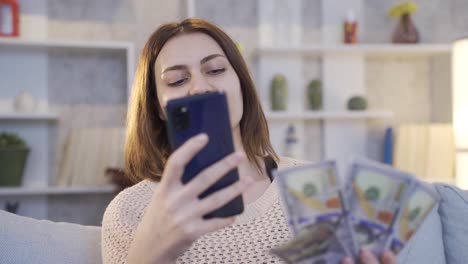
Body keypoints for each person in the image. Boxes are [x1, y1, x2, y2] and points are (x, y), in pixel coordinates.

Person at [101, 18, 396, 264]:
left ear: (241, 84)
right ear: (158, 108)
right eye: (177, 80)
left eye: (215, 69)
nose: (200, 86)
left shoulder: (314, 187)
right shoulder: (129, 211)